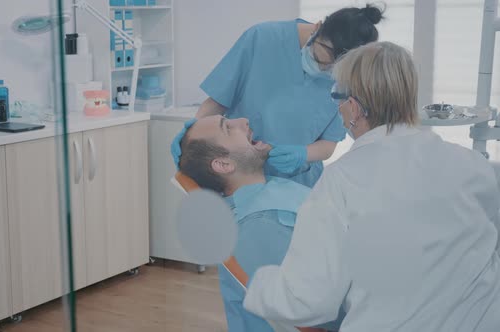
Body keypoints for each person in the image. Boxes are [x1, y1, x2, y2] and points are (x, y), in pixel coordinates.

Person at [242, 41, 500, 331]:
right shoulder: (472, 163)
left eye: (336, 98)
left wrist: (258, 284)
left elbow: (308, 302)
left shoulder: (341, 181)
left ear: (353, 108)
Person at [172, 4, 385, 188]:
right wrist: (193, 135)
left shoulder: (350, 77)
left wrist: (303, 153)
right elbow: (218, 101)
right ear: (318, 28)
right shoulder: (261, 38)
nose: (325, 70)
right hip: (238, 178)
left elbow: (329, 145)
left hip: (298, 184)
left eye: (335, 68)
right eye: (322, 60)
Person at [175, 115, 343, 332]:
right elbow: (307, 311)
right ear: (224, 164)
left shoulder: (271, 192)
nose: (243, 120)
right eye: (227, 128)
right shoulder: (258, 225)